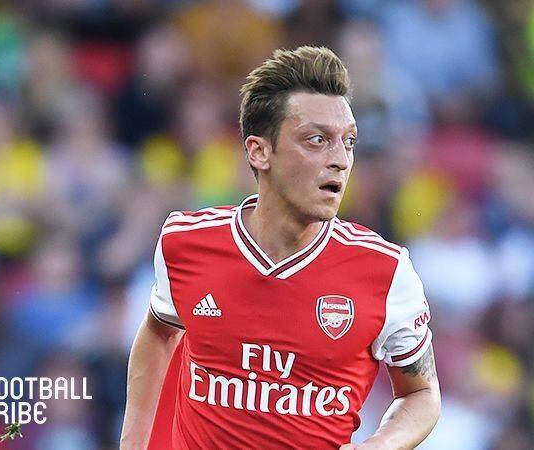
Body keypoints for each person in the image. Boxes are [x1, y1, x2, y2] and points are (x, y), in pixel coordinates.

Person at [120, 46, 441, 449]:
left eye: (348, 142)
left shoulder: (386, 271)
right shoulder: (185, 243)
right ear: (259, 151)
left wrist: (379, 446)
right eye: (317, 140)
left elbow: (421, 393)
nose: (340, 160)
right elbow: (158, 332)